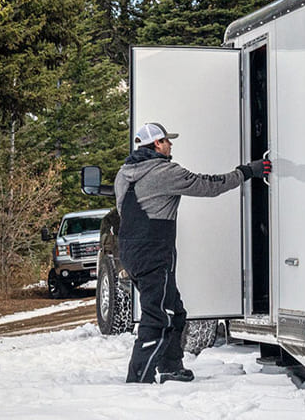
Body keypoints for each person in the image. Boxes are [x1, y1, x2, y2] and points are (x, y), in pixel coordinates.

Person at [114, 122, 269, 383]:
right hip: (154, 252)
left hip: (130, 250)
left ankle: (170, 366)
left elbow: (122, 210)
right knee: (158, 316)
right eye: (167, 141)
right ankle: (139, 379)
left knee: (175, 311)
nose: (170, 145)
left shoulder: (124, 174)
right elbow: (208, 185)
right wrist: (245, 172)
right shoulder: (164, 171)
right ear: (157, 144)